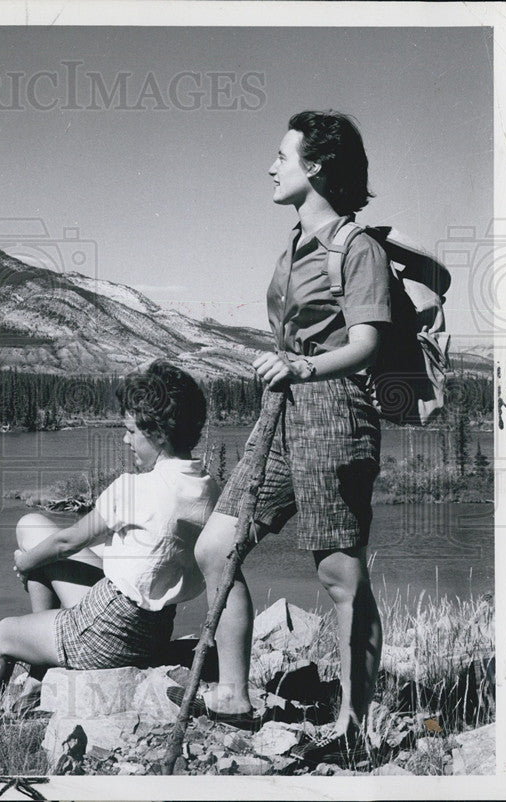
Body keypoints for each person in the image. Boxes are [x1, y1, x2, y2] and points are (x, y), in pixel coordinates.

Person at [192, 110, 389, 763]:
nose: (271, 166)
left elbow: (366, 342)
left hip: (335, 411)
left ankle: (356, 729)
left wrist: (303, 364)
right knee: (217, 546)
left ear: (318, 167)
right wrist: (283, 368)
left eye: (283, 155)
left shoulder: (356, 248)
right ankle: (231, 696)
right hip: (281, 411)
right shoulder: (296, 243)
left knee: (337, 573)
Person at [0, 360, 219, 736]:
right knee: (30, 525)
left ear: (158, 434)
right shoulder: (208, 487)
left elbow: (69, 541)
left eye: (131, 431)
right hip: (151, 628)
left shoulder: (137, 488)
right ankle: (43, 667)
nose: (126, 439)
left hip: (104, 630)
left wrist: (24, 564)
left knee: (5, 632)